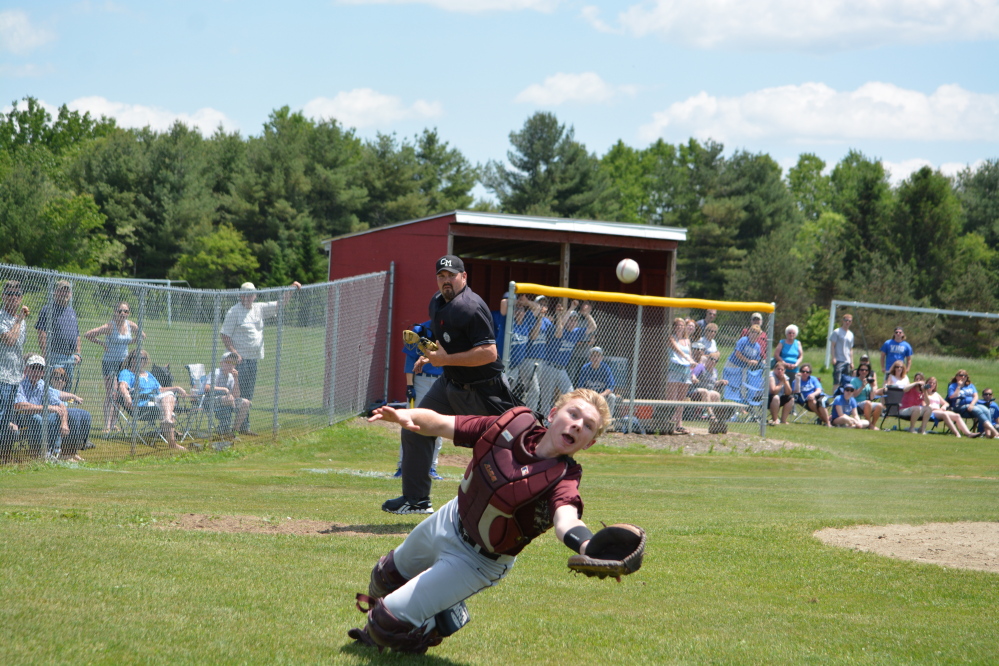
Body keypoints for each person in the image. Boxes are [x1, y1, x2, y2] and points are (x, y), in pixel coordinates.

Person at [351, 389, 612, 654]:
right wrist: (404, 415)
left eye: (588, 426)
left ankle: (435, 624)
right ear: (554, 415)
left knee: (385, 624)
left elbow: (566, 519)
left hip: (478, 560)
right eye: (573, 414)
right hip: (449, 519)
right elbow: (442, 423)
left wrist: (588, 546)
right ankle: (437, 603)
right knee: (385, 577)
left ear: (588, 442)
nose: (578, 425)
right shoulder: (511, 426)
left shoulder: (564, 478)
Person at [383, 255, 519, 515]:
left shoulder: (471, 307)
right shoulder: (437, 302)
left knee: (502, 445)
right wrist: (429, 355)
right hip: (451, 382)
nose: (446, 281)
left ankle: (517, 499)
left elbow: (489, 353)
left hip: (483, 389)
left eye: (452, 276)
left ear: (464, 277)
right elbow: (449, 338)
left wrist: (445, 359)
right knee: (415, 426)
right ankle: (416, 500)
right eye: (442, 276)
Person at [220, 280, 302, 435]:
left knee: (248, 395)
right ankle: (226, 426)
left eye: (251, 294)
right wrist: (234, 352)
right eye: (245, 295)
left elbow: (280, 304)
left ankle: (244, 426)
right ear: (240, 296)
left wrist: (290, 289)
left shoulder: (259, 308)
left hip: (253, 359)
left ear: (255, 295)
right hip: (239, 361)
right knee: (236, 394)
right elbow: (225, 334)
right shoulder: (234, 311)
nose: (249, 297)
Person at [85, 301, 144, 434]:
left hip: (123, 363)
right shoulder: (109, 326)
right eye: (120, 311)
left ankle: (114, 424)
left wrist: (131, 341)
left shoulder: (130, 325)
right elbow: (88, 334)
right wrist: (102, 344)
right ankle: (107, 424)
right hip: (110, 362)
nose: (123, 314)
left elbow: (142, 336)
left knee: (120, 394)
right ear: (115, 312)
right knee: (112, 392)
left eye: (126, 311)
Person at [398, 321, 444, 480]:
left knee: (438, 425)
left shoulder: (452, 329)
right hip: (422, 380)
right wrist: (410, 385)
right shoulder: (421, 329)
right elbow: (410, 359)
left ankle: (431, 467)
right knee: (411, 423)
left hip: (443, 380)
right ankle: (403, 466)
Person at [117, 349, 189, 451]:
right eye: (135, 358)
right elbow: (122, 386)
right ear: (131, 360)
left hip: (156, 402)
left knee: (169, 395)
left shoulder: (148, 374)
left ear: (146, 361)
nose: (138, 360)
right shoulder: (127, 373)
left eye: (142, 358)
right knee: (168, 405)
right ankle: (171, 436)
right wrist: (127, 397)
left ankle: (167, 421)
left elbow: (160, 389)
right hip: (142, 404)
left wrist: (177, 388)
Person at [538, 300, 596, 416]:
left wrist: (586, 314)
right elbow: (562, 324)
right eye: (571, 319)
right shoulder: (559, 330)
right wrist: (570, 309)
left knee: (570, 394)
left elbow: (593, 327)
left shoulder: (576, 332)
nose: (573, 322)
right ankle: (545, 422)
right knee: (546, 398)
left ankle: (566, 416)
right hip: (549, 367)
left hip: (562, 370)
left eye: (575, 320)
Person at [13, 355, 69, 460]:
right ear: (26, 370)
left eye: (40, 369)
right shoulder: (19, 384)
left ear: (43, 372)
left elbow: (60, 404)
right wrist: (47, 408)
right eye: (33, 368)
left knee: (54, 416)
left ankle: (53, 452)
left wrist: (64, 423)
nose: (36, 372)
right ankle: (38, 452)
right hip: (20, 417)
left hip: (40, 416)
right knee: (37, 418)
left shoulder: (43, 385)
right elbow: (21, 406)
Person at [35, 280, 81, 387]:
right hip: (54, 355)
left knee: (66, 386)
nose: (64, 294)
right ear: (55, 292)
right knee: (53, 387)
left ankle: (65, 404)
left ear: (70, 294)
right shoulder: (48, 309)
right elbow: (42, 332)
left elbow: (77, 335)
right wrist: (46, 353)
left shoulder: (71, 311)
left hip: (70, 357)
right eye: (62, 291)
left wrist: (78, 353)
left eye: (67, 291)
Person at [0, 280, 29, 454]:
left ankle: (5, 451)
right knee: (2, 415)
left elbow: (20, 348)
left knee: (7, 416)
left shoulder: (20, 320)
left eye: (17, 295)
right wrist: (19, 320)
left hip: (15, 376)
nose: (13, 298)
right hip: (2, 375)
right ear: (3, 296)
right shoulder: (2, 317)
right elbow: (10, 340)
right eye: (9, 294)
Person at [503, 294, 539, 411]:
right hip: (505, 366)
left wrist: (526, 303)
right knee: (504, 394)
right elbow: (504, 304)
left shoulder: (526, 322)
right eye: (517, 309)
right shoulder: (508, 322)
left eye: (522, 310)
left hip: (516, 367)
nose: (519, 312)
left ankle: (528, 416)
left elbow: (537, 308)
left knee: (526, 391)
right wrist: (516, 302)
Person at [48, 366, 92, 460]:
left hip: (64, 415)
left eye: (62, 378)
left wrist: (74, 398)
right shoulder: (48, 390)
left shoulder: (65, 393)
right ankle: (65, 453)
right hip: (54, 414)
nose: (60, 381)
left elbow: (70, 399)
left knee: (85, 414)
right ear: (50, 379)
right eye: (56, 378)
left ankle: (74, 449)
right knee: (73, 415)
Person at [204, 352, 251, 436]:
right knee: (229, 399)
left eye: (233, 363)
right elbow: (207, 388)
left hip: (227, 400)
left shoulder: (231, 376)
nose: (231, 365)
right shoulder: (216, 372)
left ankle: (234, 431)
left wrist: (236, 379)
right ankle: (224, 428)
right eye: (228, 362)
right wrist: (224, 389)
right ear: (221, 363)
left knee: (245, 402)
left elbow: (236, 395)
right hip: (209, 400)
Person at [947, 370, 999, 438]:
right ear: (957, 377)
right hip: (959, 407)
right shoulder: (953, 386)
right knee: (977, 410)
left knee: (986, 410)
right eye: (961, 375)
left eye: (965, 376)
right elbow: (952, 397)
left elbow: (976, 396)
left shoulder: (970, 386)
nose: (963, 377)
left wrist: (972, 404)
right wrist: (959, 386)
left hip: (972, 405)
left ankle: (988, 434)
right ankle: (994, 431)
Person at [665, 317, 694, 435]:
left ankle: (679, 424)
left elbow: (690, 355)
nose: (680, 327)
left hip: (685, 372)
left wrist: (692, 371)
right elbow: (678, 351)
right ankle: (668, 422)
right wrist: (687, 358)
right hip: (674, 370)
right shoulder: (671, 338)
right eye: (677, 325)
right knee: (672, 398)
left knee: (681, 400)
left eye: (682, 325)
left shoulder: (687, 340)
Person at [577, 346, 617, 418]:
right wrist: (589, 396)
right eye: (593, 355)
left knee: (612, 397)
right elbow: (581, 387)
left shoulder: (605, 368)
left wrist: (600, 395)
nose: (596, 358)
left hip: (602, 396)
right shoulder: (585, 368)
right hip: (589, 396)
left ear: (601, 358)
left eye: (598, 356)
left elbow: (610, 388)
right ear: (590, 357)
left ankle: (607, 420)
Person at [850, 363, 883, 430]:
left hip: (867, 403)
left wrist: (872, 387)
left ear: (868, 372)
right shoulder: (854, 381)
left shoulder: (868, 382)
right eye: (862, 370)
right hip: (856, 403)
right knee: (868, 403)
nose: (864, 372)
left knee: (880, 405)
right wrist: (862, 386)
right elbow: (854, 395)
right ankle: (869, 424)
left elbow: (872, 398)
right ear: (859, 371)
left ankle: (872, 424)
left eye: (866, 370)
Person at [829, 313, 855, 387]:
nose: (848, 322)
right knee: (837, 380)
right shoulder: (837, 332)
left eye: (849, 321)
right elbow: (832, 345)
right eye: (846, 320)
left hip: (847, 360)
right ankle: (835, 396)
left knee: (846, 381)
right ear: (843, 321)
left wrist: (851, 361)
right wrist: (833, 357)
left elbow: (850, 349)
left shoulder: (851, 334)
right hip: (838, 359)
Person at [768, 360, 793, 425]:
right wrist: (781, 382)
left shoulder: (784, 377)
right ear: (774, 369)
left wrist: (785, 381)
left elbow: (788, 393)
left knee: (791, 398)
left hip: (779, 398)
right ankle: (775, 419)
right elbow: (773, 391)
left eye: (782, 370)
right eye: (778, 369)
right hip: (767, 398)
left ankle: (783, 420)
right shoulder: (771, 375)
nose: (780, 371)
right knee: (776, 397)